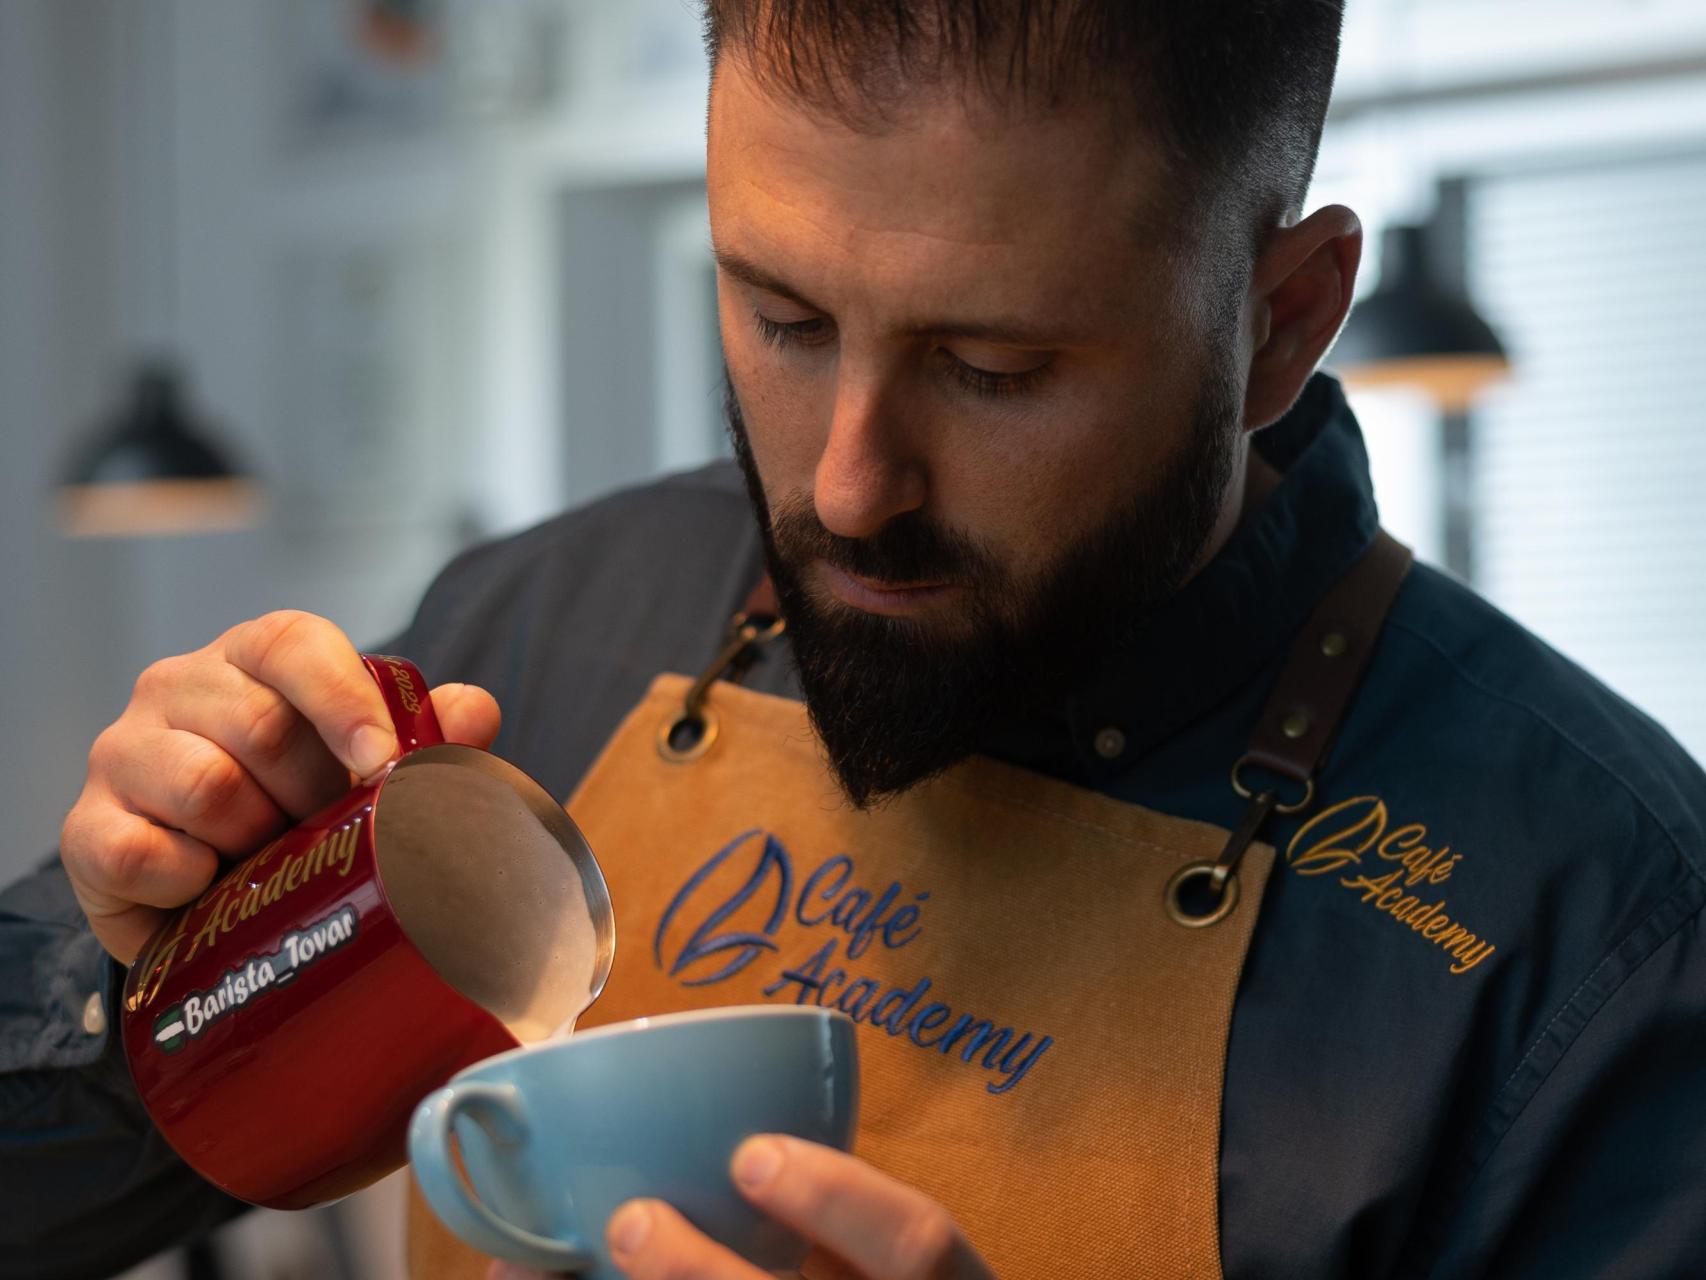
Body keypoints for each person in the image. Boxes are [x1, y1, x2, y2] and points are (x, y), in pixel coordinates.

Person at [5, 2, 1705, 1277]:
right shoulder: (549, 629)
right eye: (784, 318)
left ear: (1277, 326)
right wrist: (142, 956)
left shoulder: (1598, 926)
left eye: (993, 369)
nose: (846, 484)